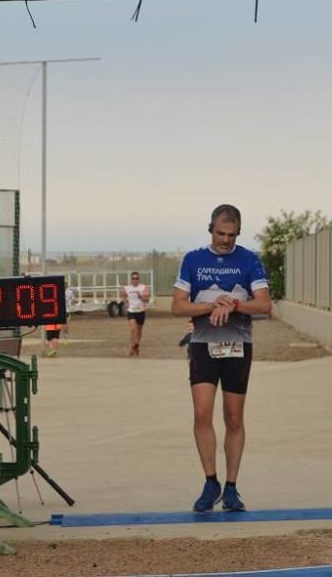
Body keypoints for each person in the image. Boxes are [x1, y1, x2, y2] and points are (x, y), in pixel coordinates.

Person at [171, 204, 271, 512]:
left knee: (234, 417)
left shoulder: (250, 259)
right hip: (203, 344)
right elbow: (178, 306)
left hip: (237, 345)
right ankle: (210, 481)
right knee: (202, 413)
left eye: (231, 235)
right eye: (220, 233)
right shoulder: (193, 259)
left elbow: (265, 304)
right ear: (210, 229)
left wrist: (236, 306)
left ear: (238, 232)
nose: (225, 240)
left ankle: (231, 487)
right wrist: (213, 304)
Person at [122, 271, 150, 356]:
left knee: (139, 330)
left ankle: (137, 345)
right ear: (131, 279)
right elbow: (124, 296)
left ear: (139, 279)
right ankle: (133, 345)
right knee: (132, 329)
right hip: (131, 311)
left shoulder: (143, 287)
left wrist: (141, 296)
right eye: (133, 278)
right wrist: (125, 302)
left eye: (137, 278)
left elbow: (147, 300)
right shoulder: (127, 288)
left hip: (141, 311)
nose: (135, 280)